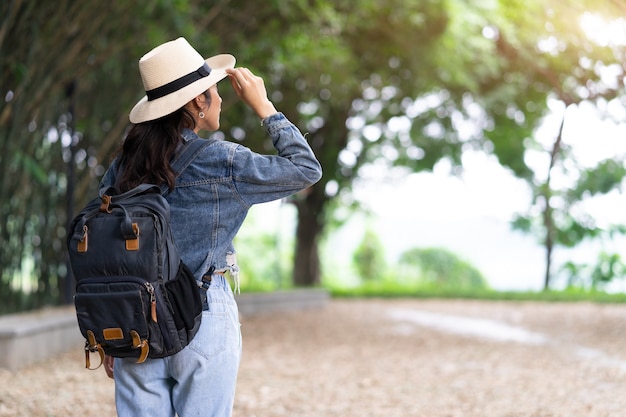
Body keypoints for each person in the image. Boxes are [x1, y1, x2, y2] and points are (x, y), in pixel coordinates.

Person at [98, 37, 322, 417]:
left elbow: (106, 250)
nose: (219, 100)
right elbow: (305, 168)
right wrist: (264, 107)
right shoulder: (222, 161)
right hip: (203, 313)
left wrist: (109, 332)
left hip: (132, 318)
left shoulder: (124, 167)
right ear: (197, 102)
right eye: (213, 92)